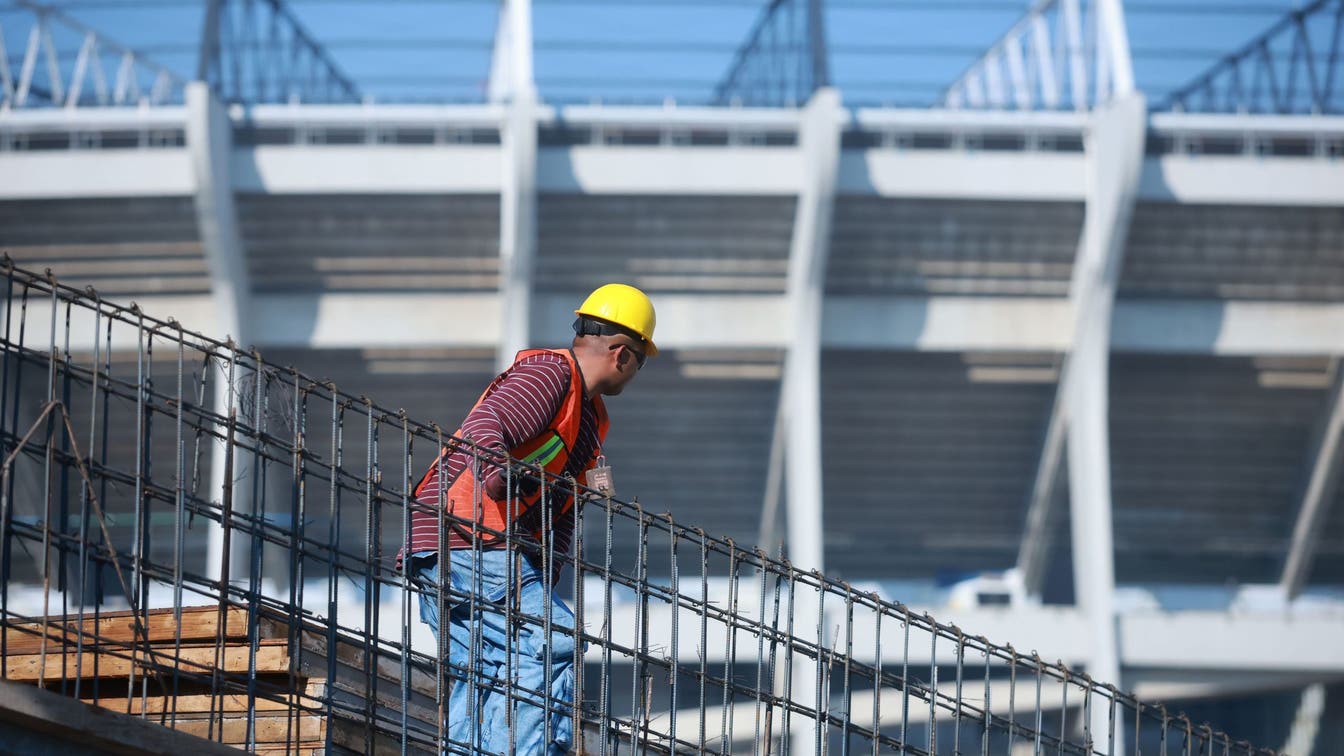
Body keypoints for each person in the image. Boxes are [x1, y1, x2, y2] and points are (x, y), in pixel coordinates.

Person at [402, 283, 657, 755]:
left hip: (463, 545)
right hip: (471, 537)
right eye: (641, 361)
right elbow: (486, 426)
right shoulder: (549, 376)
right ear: (622, 354)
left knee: (481, 673)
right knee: (554, 641)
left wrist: (544, 572)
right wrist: (500, 473)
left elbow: (561, 511)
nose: (637, 372)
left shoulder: (587, 420)